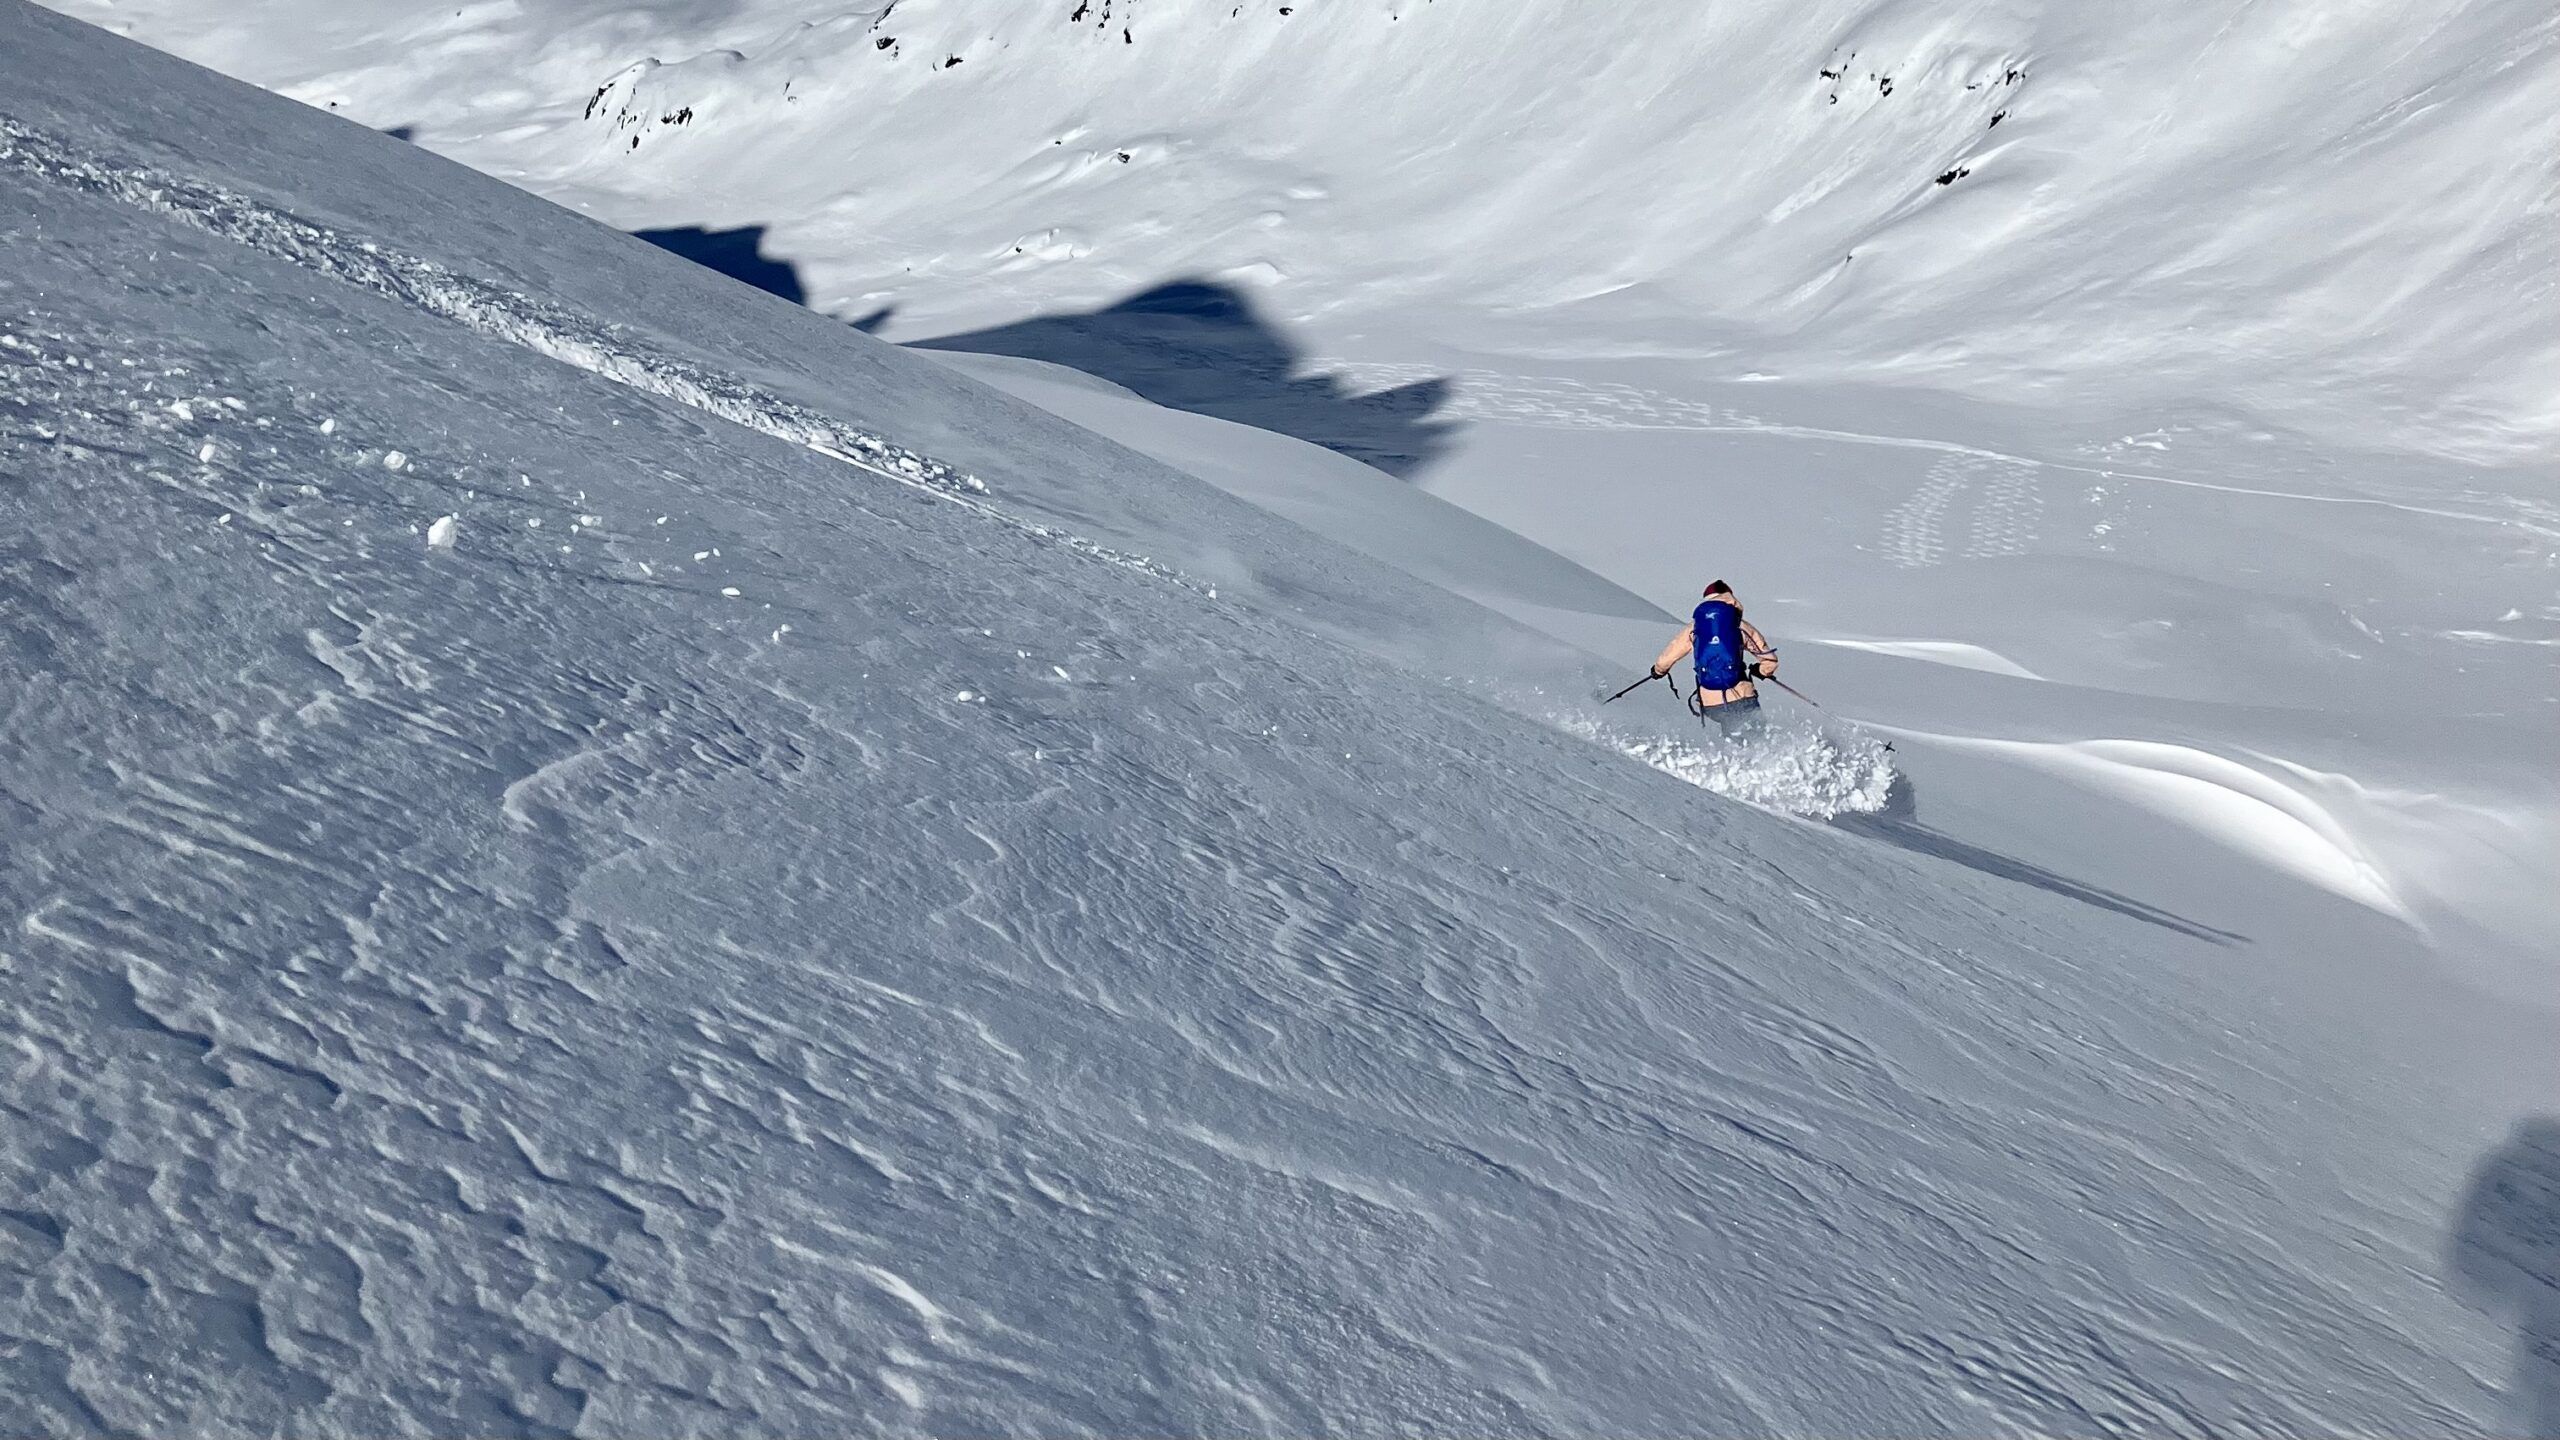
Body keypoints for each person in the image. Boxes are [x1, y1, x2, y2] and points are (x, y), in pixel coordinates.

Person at [1649, 579, 1780, 733]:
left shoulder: (1695, 628)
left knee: (1730, 747)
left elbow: (1668, 656)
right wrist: (1761, 671)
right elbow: (1769, 661)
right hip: (1741, 696)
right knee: (1759, 741)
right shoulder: (1739, 625)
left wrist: (1658, 671)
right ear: (1729, 596)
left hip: (1710, 702)